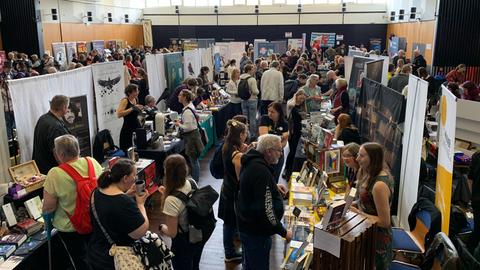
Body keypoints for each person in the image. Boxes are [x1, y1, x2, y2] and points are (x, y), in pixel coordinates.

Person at [42, 135, 103, 270]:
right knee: (96, 255)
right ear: (78, 149)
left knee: (79, 260)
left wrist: (46, 222)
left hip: (70, 227)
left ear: (61, 154)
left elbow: (49, 206)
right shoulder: (92, 162)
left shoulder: (55, 173)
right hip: (96, 219)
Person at [237, 134, 292, 270]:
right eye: (279, 150)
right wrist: (283, 232)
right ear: (268, 151)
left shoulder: (254, 162)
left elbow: (255, 189)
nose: (281, 154)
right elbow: (266, 209)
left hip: (249, 228)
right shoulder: (260, 171)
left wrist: (273, 185)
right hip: (257, 232)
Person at [87, 159, 149, 270]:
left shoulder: (96, 192)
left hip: (98, 252)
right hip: (117, 259)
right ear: (125, 178)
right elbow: (140, 232)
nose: (135, 179)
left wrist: (126, 193)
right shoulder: (124, 202)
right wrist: (141, 205)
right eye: (134, 175)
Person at [351, 142, 394, 270]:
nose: (357, 159)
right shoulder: (368, 173)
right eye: (358, 154)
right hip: (368, 232)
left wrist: (358, 213)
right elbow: (367, 202)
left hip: (377, 240)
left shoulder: (379, 185)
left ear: (373, 158)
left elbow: (384, 221)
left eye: (362, 156)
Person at [159, 154, 205, 270]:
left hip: (183, 243)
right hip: (197, 234)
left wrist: (161, 228)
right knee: (195, 266)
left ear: (167, 173)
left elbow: (172, 232)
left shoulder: (171, 201)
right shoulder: (191, 182)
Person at [219, 120, 248, 262]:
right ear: (241, 134)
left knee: (228, 223)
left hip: (226, 187)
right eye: (245, 133)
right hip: (232, 192)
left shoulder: (227, 146)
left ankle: (229, 251)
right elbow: (240, 178)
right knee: (229, 224)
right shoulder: (237, 155)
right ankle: (229, 253)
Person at [33, 95, 71, 174]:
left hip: (40, 167)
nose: (67, 110)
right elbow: (57, 153)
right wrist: (68, 171)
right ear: (64, 107)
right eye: (67, 107)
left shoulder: (42, 118)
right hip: (52, 170)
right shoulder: (55, 127)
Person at [175, 89, 204, 181]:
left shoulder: (187, 111)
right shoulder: (190, 106)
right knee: (194, 160)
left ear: (184, 98)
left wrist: (178, 124)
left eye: (180, 95)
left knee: (193, 161)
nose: (178, 96)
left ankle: (195, 181)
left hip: (191, 137)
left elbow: (188, 127)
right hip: (194, 136)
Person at [259, 102, 289, 183]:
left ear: (279, 113)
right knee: (263, 180)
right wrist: (280, 138)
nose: (269, 114)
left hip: (278, 155)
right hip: (265, 155)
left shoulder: (285, 124)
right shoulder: (264, 119)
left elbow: (284, 143)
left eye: (272, 112)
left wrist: (277, 145)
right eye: (268, 111)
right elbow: (264, 138)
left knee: (274, 181)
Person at [284, 89, 307, 180]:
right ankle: (287, 169)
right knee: (292, 151)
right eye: (300, 98)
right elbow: (290, 114)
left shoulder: (302, 106)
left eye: (303, 100)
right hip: (293, 131)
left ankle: (292, 170)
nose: (301, 101)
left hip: (299, 130)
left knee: (296, 151)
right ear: (296, 96)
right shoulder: (291, 104)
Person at [117, 84, 143, 152]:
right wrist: (132, 108)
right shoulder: (125, 101)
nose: (138, 93)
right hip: (128, 128)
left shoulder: (135, 99)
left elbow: (134, 114)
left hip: (136, 125)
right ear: (129, 93)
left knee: (138, 147)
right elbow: (119, 114)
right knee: (128, 148)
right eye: (135, 91)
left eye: (137, 91)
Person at [240, 64, 259, 141]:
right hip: (252, 100)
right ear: (249, 70)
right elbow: (255, 91)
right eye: (252, 69)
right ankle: (252, 136)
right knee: (252, 119)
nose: (254, 70)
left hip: (243, 100)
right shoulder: (252, 79)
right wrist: (258, 91)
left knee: (245, 119)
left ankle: (245, 134)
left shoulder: (240, 78)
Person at [468, 151, 480, 252]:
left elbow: (470, 179)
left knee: (477, 229)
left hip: (476, 199)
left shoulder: (476, 155)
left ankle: (468, 252)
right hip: (477, 199)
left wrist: (472, 196)